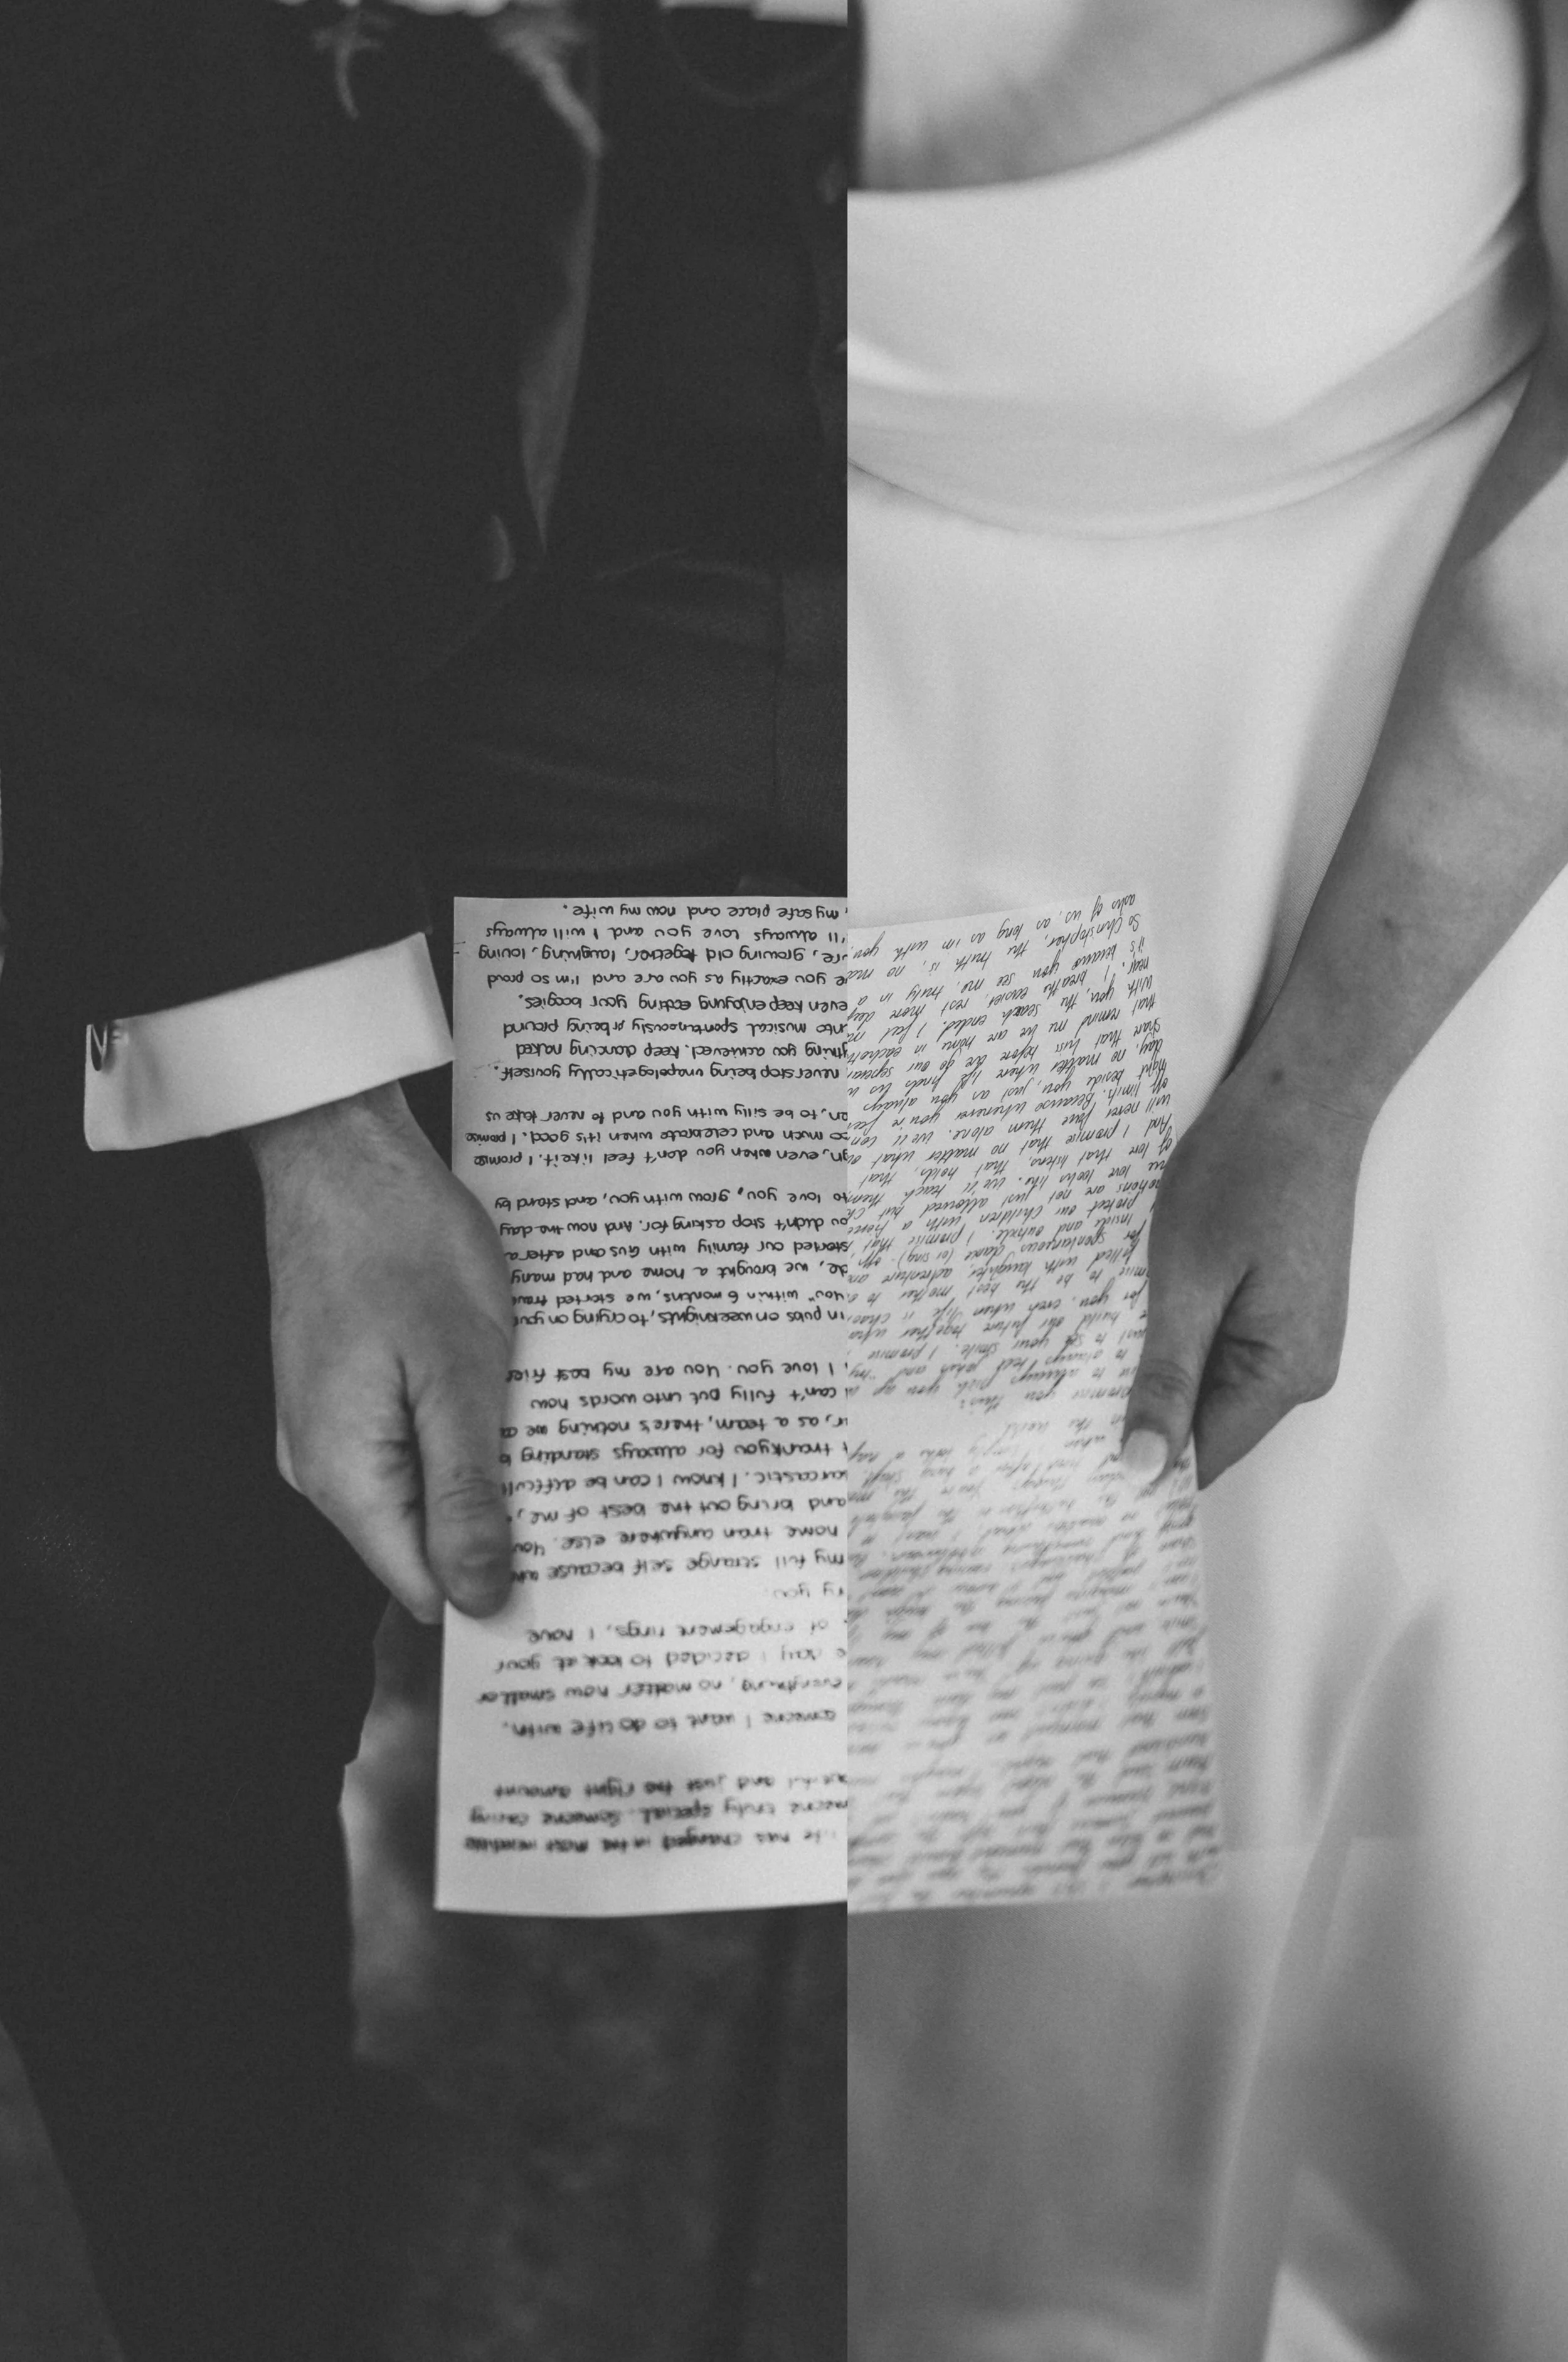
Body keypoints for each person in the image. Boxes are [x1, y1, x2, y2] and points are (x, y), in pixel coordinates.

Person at [0, 4, 846, 2357]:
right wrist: (316, 1110)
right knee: (142, 1688)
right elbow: (61, 299)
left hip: (1112, 670)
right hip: (314, 628)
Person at [848, 0, 1568, 2354]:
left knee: (1411, 1844)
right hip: (795, 893)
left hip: (1413, 886)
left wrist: (1310, 1095)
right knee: (951, 1968)